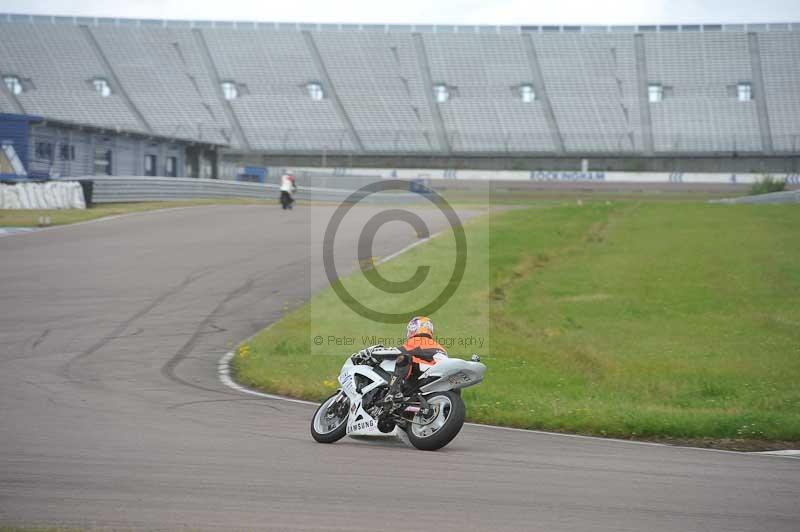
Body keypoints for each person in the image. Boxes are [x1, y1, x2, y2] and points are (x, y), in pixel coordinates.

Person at [351, 316, 448, 403]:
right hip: (435, 378)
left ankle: (394, 392)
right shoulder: (440, 346)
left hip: (422, 374)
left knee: (403, 358)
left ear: (414, 328)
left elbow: (396, 352)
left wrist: (373, 353)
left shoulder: (418, 340)